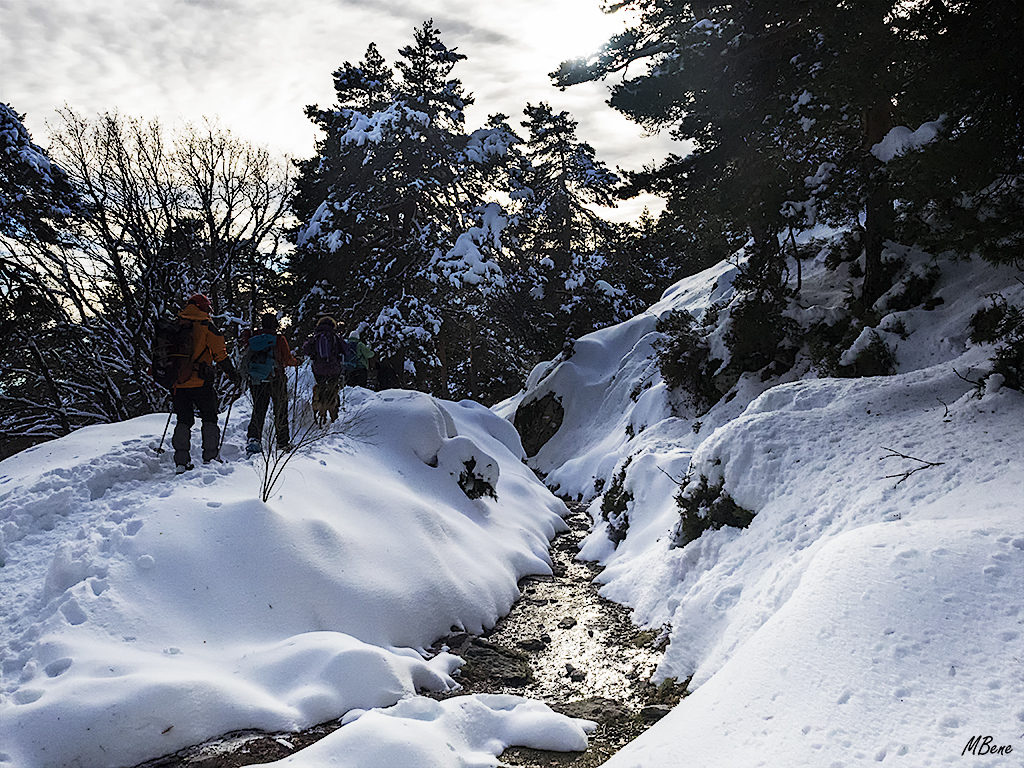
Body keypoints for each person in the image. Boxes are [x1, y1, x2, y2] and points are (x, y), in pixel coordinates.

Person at [171, 294, 241, 473]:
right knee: (209, 418)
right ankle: (210, 457)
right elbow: (220, 354)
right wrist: (233, 374)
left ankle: (181, 461)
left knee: (183, 420)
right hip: (201, 382)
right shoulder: (206, 326)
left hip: (178, 382)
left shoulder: (176, 325)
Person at [244, 313, 299, 455]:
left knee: (259, 409)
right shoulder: (279, 339)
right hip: (276, 379)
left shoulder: (254, 338)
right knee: (280, 410)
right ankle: (282, 442)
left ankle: (254, 439)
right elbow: (287, 359)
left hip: (256, 380)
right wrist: (296, 362)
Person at [303, 316, 346, 423]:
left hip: (319, 369)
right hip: (334, 369)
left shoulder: (315, 337)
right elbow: (346, 349)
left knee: (321, 388)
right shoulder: (335, 337)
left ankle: (321, 412)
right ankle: (334, 414)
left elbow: (306, 350)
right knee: (333, 389)